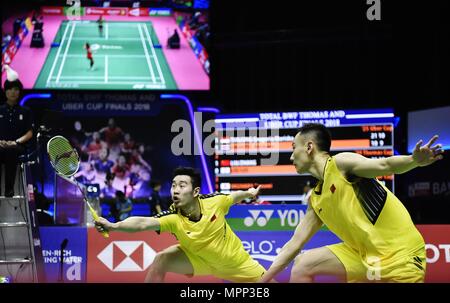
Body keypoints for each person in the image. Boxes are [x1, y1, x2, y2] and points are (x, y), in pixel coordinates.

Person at [261, 123, 444, 283]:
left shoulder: (340, 164)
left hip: (401, 256)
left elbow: (385, 165)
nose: (291, 157)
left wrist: (413, 160)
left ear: (309, 147)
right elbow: (294, 244)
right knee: (303, 264)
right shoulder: (316, 199)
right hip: (363, 257)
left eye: (294, 148)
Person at [95, 167, 267, 282]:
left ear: (195, 192)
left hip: (236, 263)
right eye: (174, 186)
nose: (175, 190)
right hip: (199, 260)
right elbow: (142, 223)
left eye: (182, 186)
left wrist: (249, 193)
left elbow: (234, 197)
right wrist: (114, 226)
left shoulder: (215, 202)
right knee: (161, 259)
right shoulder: (173, 217)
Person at [0, 68, 34, 197]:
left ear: (19, 92)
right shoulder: (0, 110)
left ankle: (9, 190)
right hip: (1, 145)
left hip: (17, 146)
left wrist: (15, 142)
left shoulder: (26, 111)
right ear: (5, 91)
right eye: (10, 89)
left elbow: (30, 132)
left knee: (11, 151)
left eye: (16, 89)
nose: (13, 92)